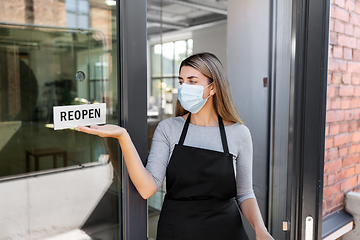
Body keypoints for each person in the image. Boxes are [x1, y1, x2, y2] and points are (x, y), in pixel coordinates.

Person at [78, 52, 274, 240]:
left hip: (226, 231)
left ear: (213, 88)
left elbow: (245, 193)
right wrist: (123, 136)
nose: (184, 87)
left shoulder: (239, 133)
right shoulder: (169, 129)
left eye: (192, 81)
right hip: (177, 231)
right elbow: (147, 189)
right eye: (181, 81)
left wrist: (260, 230)